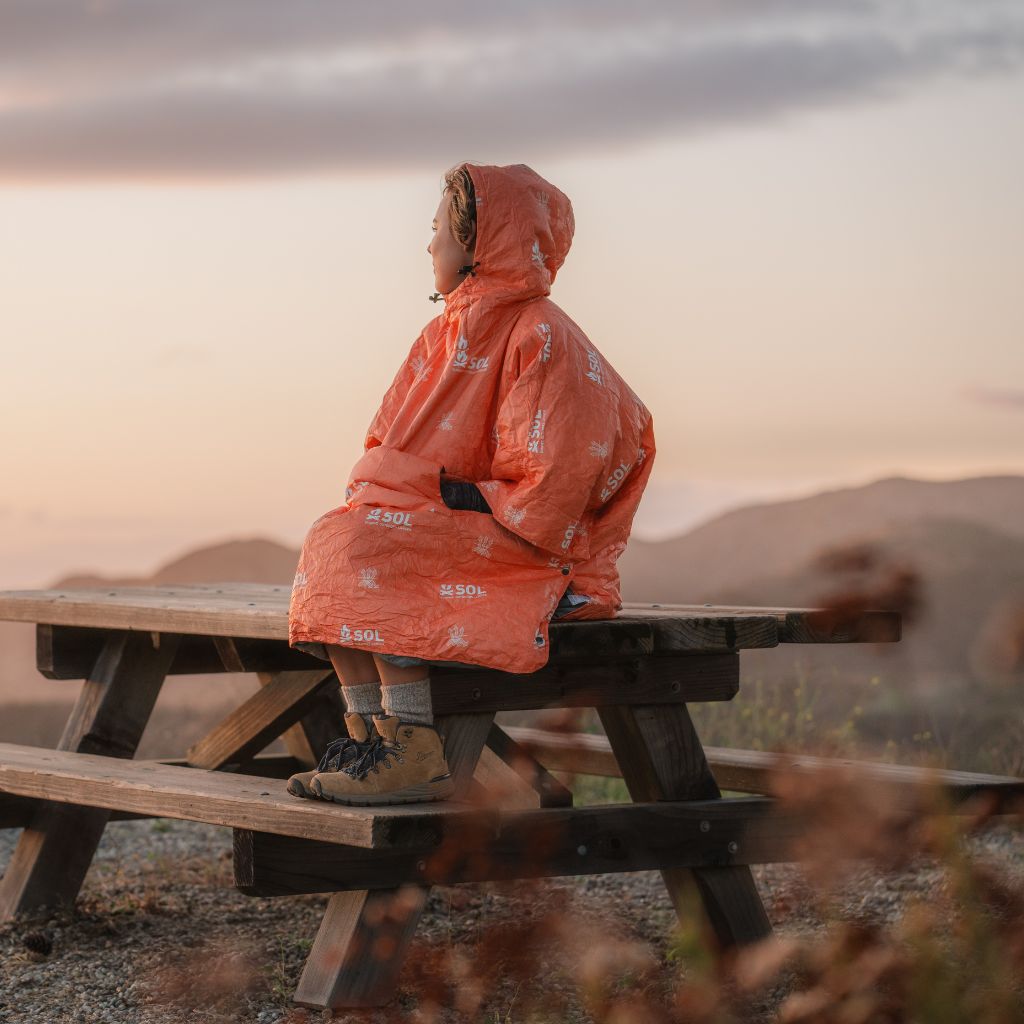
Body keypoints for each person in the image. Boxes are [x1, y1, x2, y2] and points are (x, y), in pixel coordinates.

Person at [286, 162, 656, 805]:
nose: (429, 244)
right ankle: (372, 739)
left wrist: (450, 495)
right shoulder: (442, 333)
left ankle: (413, 746)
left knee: (371, 548)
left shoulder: (542, 332)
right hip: (459, 520)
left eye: (438, 229)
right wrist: (408, 489)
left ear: (480, 241)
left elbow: (557, 474)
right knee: (337, 538)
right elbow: (387, 444)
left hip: (531, 543)